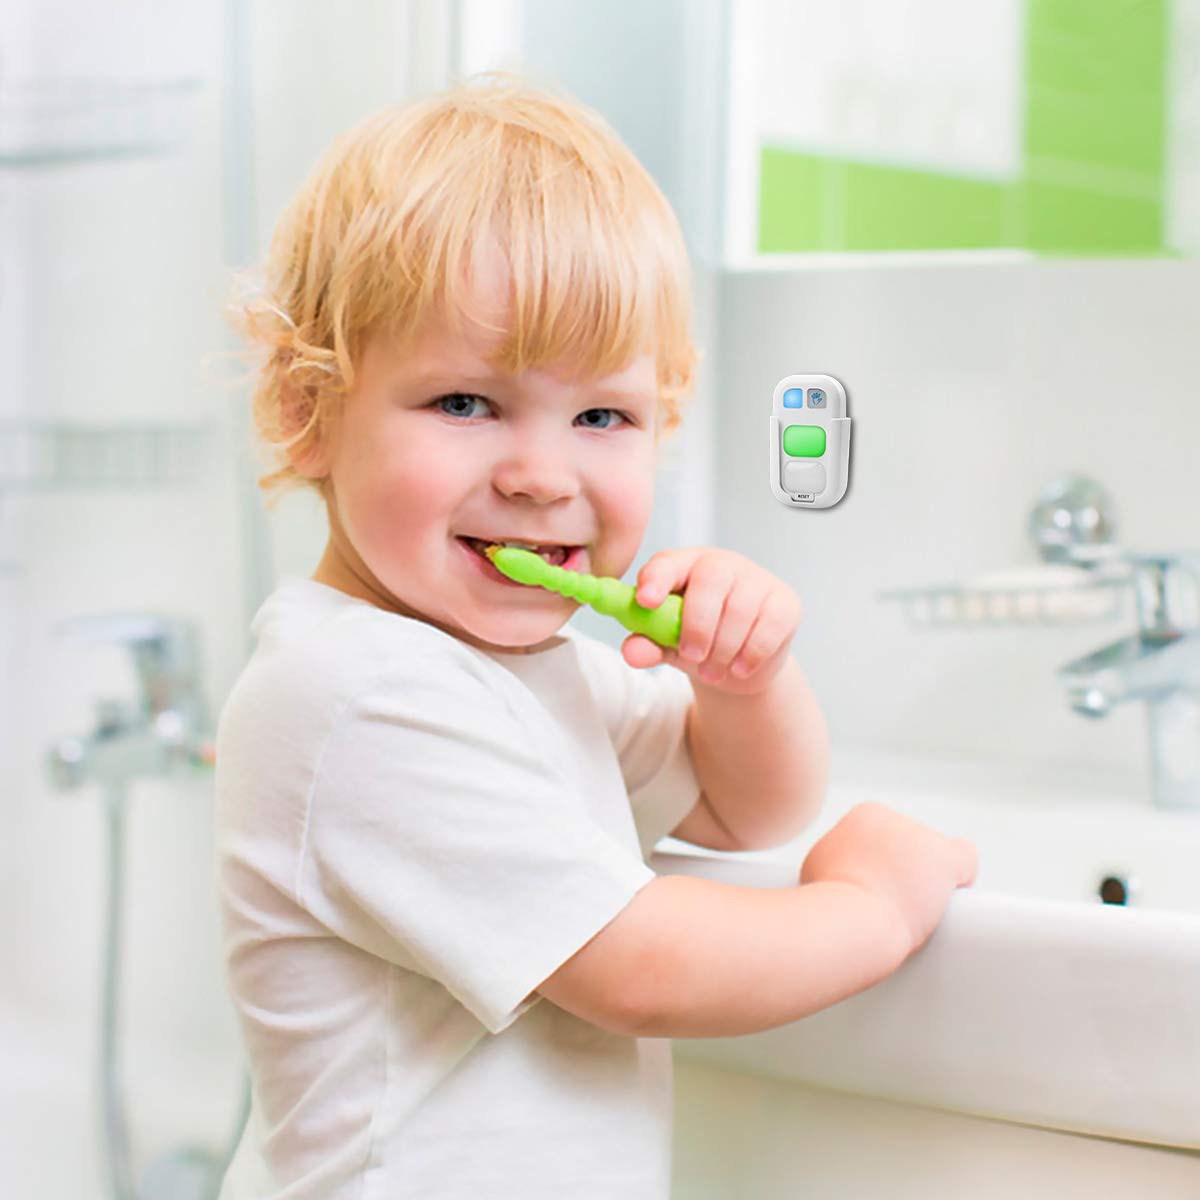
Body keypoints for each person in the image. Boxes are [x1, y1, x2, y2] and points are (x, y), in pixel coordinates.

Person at [215, 71, 978, 1199]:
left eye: (601, 417)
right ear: (305, 410)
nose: (539, 476)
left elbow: (745, 807)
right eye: (466, 403)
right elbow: (641, 969)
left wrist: (744, 684)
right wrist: (872, 909)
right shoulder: (358, 691)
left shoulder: (517, 669)